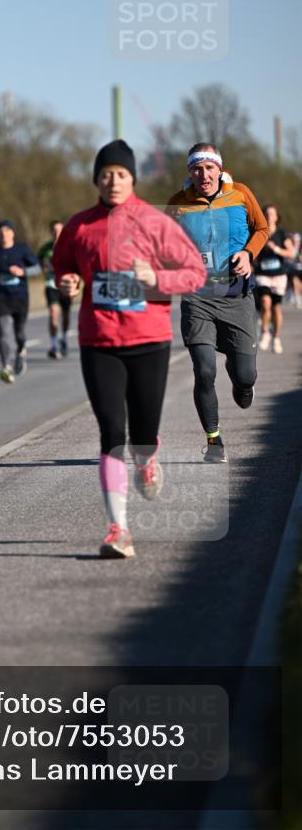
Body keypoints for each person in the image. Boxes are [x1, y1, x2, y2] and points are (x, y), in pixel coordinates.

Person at [53, 140, 206, 559]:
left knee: (141, 434)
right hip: (99, 341)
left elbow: (194, 273)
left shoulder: (155, 223)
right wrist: (67, 283)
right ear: (96, 180)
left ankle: (147, 460)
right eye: (105, 175)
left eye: (120, 175)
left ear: (132, 179)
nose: (113, 181)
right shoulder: (79, 226)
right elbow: (62, 266)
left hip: (148, 341)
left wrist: (156, 278)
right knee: (109, 432)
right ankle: (118, 529)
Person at [166, 144, 268, 463]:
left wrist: (248, 253)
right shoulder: (177, 204)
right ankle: (214, 441)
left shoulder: (240, 194)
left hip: (235, 294)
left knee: (246, 374)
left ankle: (241, 381)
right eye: (197, 169)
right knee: (203, 369)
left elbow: (262, 228)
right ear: (190, 172)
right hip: (197, 297)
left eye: (209, 168)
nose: (204, 175)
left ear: (219, 169)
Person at [0, 220, 39, 384]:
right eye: (1, 231)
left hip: (20, 296)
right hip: (1, 297)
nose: (4, 234)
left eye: (7, 230)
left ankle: (21, 350)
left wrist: (22, 271)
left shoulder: (22, 250)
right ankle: (6, 367)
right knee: (3, 332)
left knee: (19, 333)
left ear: (13, 233)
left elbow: (37, 268)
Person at [254, 205, 295, 354]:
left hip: (279, 275)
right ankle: (265, 332)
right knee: (265, 303)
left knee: (276, 307)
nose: (269, 216)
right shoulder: (259, 233)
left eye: (272, 214)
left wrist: (275, 249)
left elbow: (291, 253)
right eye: (267, 214)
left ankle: (276, 337)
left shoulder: (282, 234)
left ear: (277, 217)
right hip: (263, 274)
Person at [38, 220, 72, 358]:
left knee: (66, 316)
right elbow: (37, 262)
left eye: (59, 230)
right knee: (53, 314)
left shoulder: (70, 246)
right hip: (51, 285)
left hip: (66, 286)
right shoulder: (45, 248)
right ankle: (53, 345)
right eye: (54, 230)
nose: (57, 233)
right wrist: (44, 268)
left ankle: (63, 337)